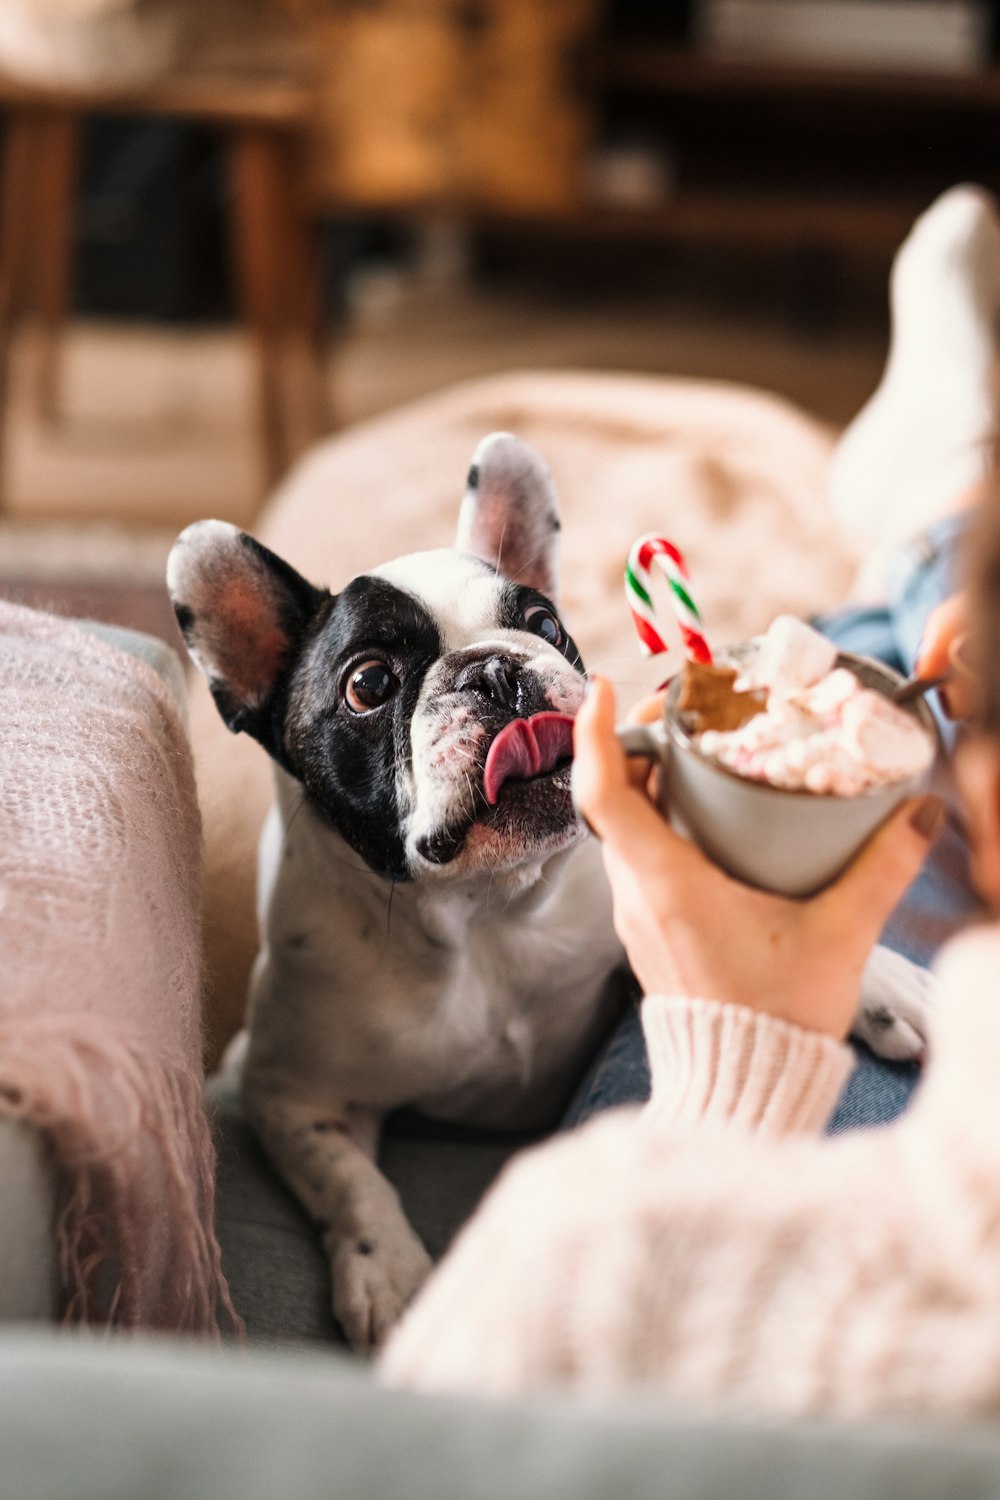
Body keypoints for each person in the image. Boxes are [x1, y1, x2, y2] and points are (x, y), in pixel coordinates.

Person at [378, 186, 1000, 1417]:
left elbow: (427, 1438)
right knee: (851, 688)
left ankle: (938, 507)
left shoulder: (587, 1271)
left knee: (854, 734)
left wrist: (732, 1041)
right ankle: (939, 518)